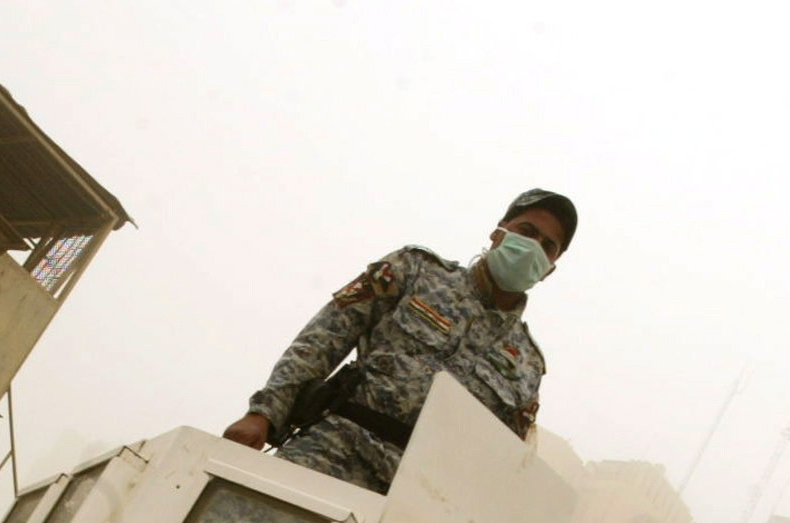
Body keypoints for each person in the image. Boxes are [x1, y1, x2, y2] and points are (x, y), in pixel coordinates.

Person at [223, 189, 575, 492]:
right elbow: (323, 339)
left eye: (548, 246)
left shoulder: (527, 365)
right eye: (526, 232)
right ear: (498, 234)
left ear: (550, 269)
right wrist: (265, 412)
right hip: (333, 451)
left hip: (415, 499)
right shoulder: (415, 271)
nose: (534, 247)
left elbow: (503, 461)